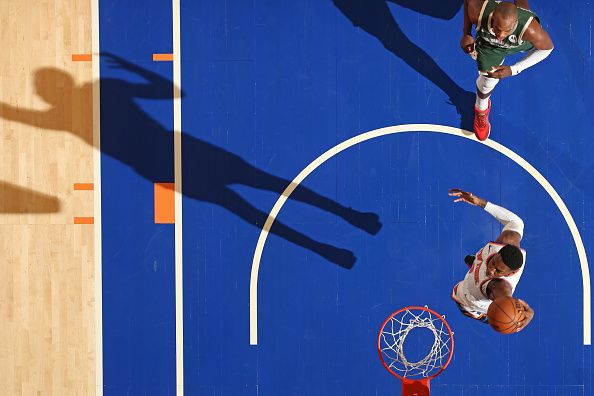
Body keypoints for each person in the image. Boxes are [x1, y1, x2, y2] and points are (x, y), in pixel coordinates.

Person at [461, 0, 554, 140]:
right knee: (488, 78)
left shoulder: (530, 30)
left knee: (522, 10)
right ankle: (481, 108)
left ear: (516, 23)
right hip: (491, 47)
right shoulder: (479, 13)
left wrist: (513, 69)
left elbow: (547, 48)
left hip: (519, 41)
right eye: (498, 28)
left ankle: (519, 14)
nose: (501, 35)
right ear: (492, 18)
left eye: (506, 30)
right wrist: (466, 33)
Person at [448, 188, 534, 331]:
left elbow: (504, 299)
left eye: (498, 271)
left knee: (460, 298)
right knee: (482, 264)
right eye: (494, 262)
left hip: (471, 298)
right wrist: (480, 202)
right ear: (501, 250)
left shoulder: (500, 288)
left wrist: (524, 313)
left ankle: (481, 316)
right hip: (483, 268)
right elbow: (516, 221)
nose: (491, 270)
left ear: (507, 274)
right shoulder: (507, 240)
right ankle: (476, 263)